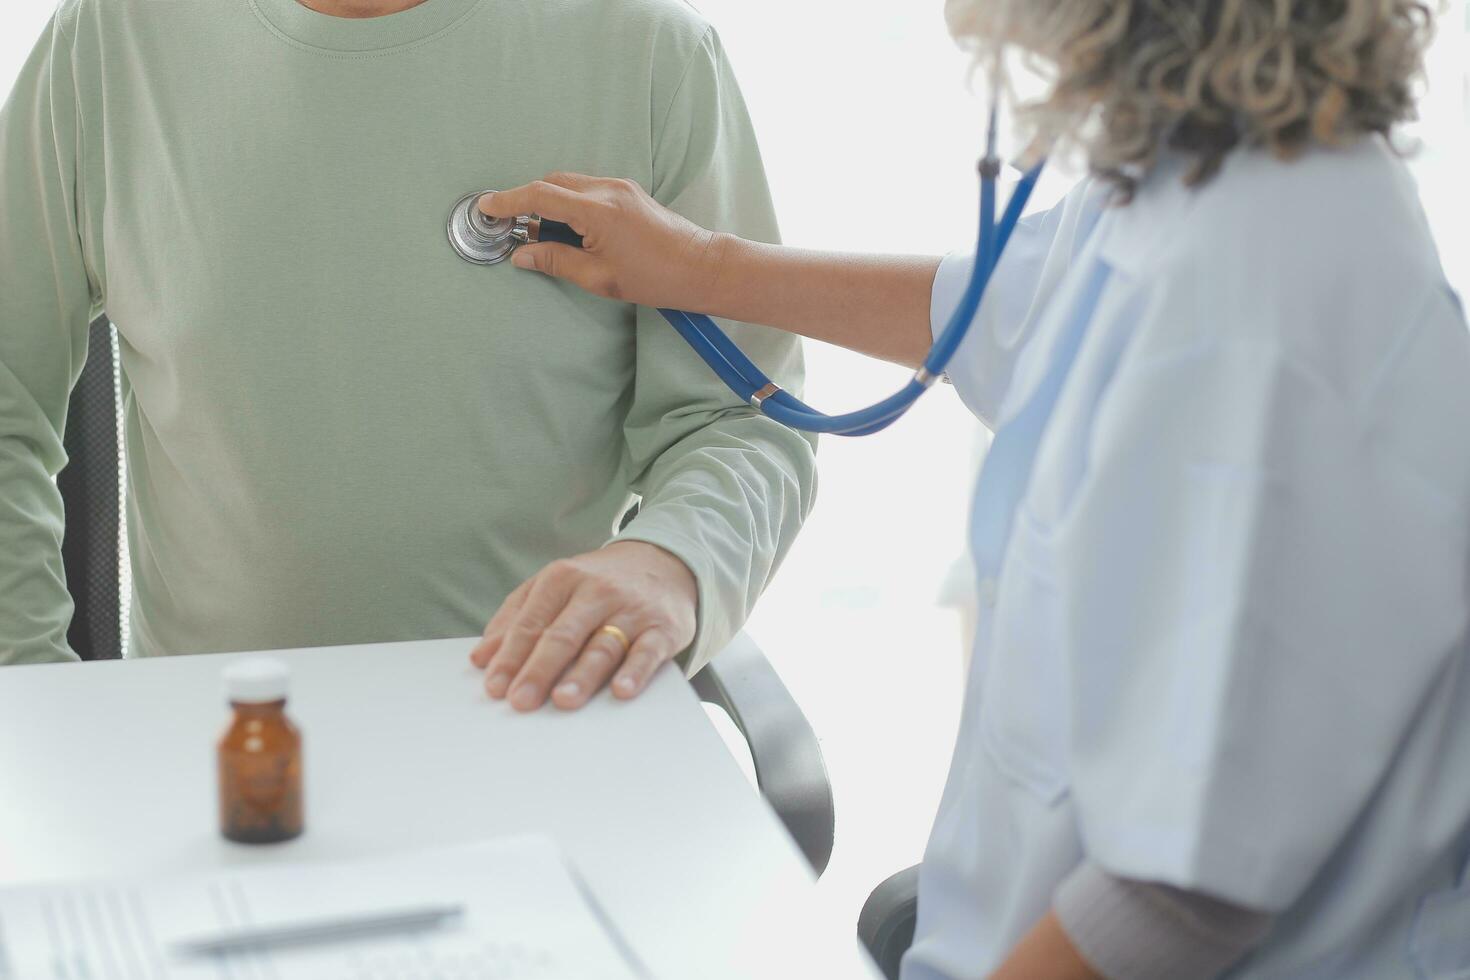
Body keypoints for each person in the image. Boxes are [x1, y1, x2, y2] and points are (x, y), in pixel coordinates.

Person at [479, 1, 1470, 976]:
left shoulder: (1268, 296)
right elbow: (1002, 309)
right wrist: (699, 264)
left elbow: (1182, 888)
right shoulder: (1204, 175)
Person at [0, 0, 817, 710]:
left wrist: (674, 562)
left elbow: (741, 418)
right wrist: (32, 693)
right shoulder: (106, 46)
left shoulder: (649, 54)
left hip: (540, 726)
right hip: (213, 750)